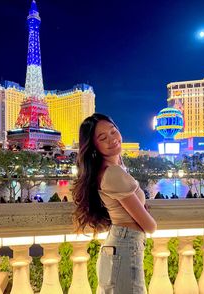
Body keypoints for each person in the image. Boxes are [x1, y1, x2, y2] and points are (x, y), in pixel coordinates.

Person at [72, 113, 157, 294]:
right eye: (103, 137)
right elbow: (150, 226)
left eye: (113, 131)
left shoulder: (108, 170)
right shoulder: (113, 174)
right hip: (125, 248)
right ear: (93, 146)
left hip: (119, 247)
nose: (112, 139)